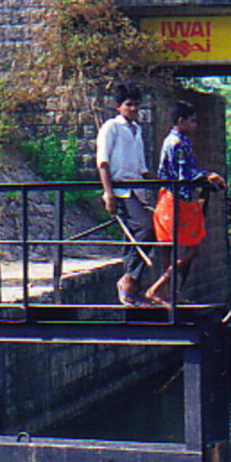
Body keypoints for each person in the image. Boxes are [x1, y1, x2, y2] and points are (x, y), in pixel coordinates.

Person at [146, 99, 225, 306]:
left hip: (166, 199)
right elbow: (185, 175)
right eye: (192, 121)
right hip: (178, 201)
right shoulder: (179, 143)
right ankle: (157, 289)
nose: (195, 125)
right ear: (181, 121)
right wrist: (209, 176)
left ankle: (169, 293)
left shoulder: (169, 141)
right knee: (192, 249)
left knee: (167, 249)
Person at [96, 85, 154, 306]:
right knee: (145, 227)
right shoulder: (111, 127)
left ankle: (132, 287)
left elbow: (142, 168)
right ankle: (128, 279)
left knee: (141, 231)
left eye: (136, 105)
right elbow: (103, 161)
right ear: (118, 106)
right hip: (120, 190)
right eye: (128, 105)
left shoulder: (137, 130)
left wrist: (166, 183)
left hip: (137, 190)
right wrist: (108, 193)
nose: (133, 108)